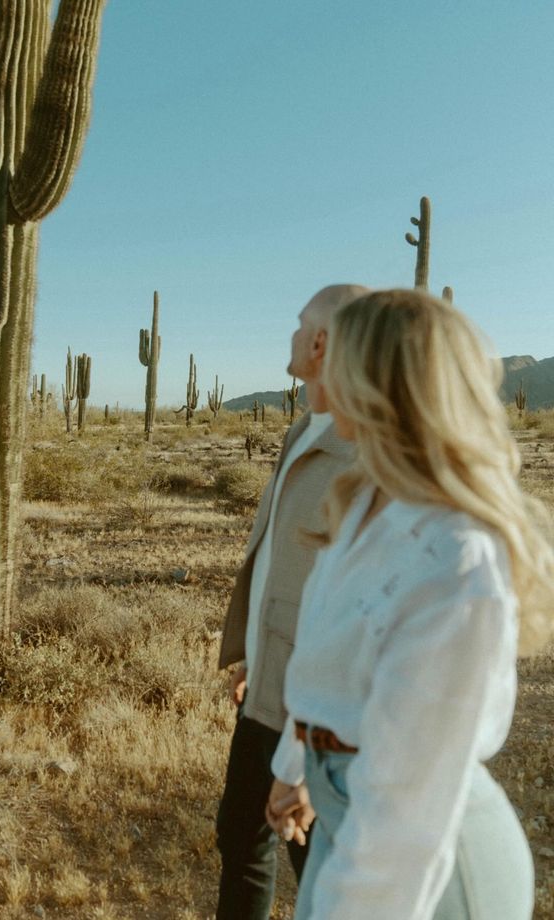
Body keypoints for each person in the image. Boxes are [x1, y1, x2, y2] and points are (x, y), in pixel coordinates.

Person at [266, 288, 554, 919]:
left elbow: (408, 814)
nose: (318, 363)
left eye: (338, 352)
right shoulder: (366, 503)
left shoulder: (456, 562)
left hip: (430, 864)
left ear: (380, 380)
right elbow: (324, 662)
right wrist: (296, 766)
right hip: (348, 812)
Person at [215, 283, 369, 919]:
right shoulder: (304, 431)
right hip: (272, 684)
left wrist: (304, 757)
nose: (290, 332)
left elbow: (352, 619)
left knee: (319, 864)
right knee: (240, 835)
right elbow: (283, 566)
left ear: (321, 342)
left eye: (299, 322)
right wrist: (253, 652)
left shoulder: (361, 460)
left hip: (318, 710)